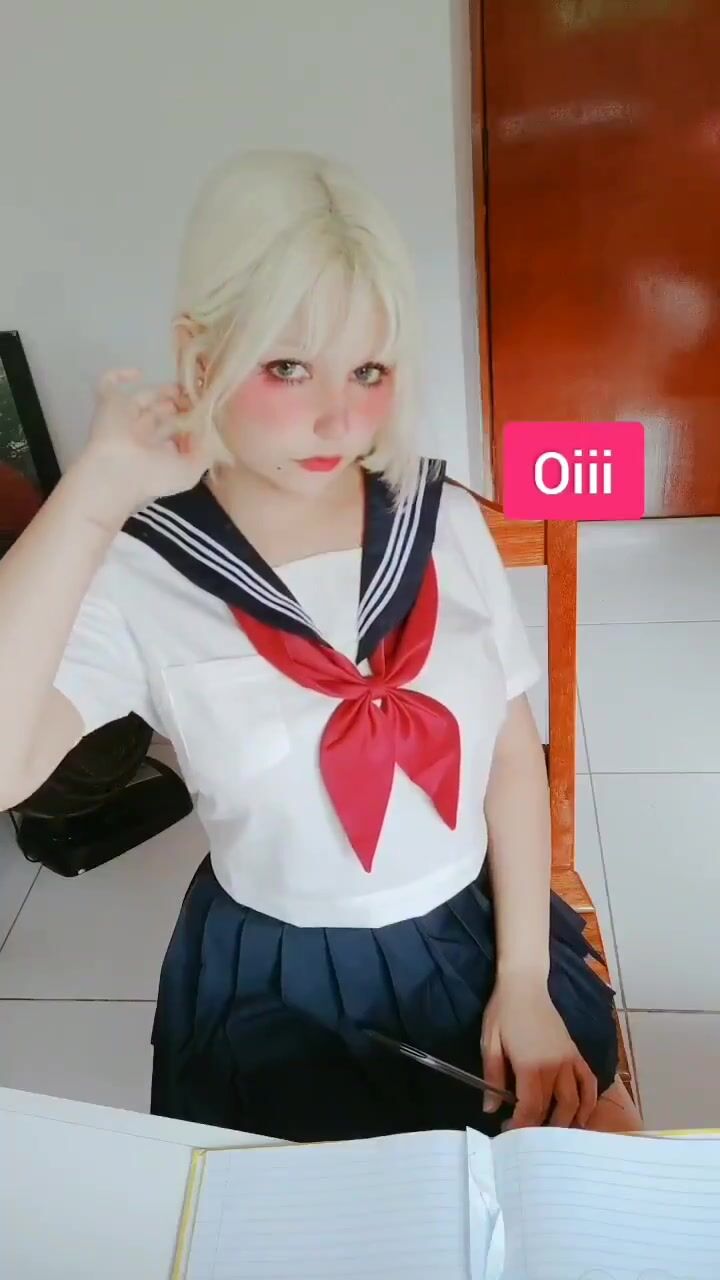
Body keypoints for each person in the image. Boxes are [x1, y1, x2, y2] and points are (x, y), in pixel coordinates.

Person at [0, 148, 640, 1141]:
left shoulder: (442, 520)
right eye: (288, 365)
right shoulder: (142, 568)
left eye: (368, 369)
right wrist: (90, 496)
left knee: (586, 1163)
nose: (338, 416)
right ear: (200, 356)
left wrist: (522, 980)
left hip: (478, 936)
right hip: (276, 984)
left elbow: (512, 755)